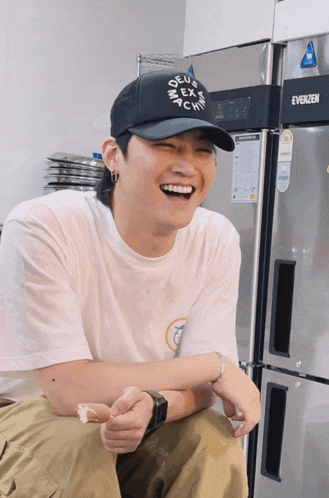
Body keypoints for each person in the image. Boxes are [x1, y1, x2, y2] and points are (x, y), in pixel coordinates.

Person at [0, 70, 261, 497]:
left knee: (211, 442)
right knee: (84, 445)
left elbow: (202, 394)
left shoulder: (216, 237)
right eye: (166, 146)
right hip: (27, 413)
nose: (187, 165)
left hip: (142, 414)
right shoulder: (44, 225)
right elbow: (67, 390)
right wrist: (216, 366)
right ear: (113, 156)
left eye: (203, 151)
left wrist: (156, 406)